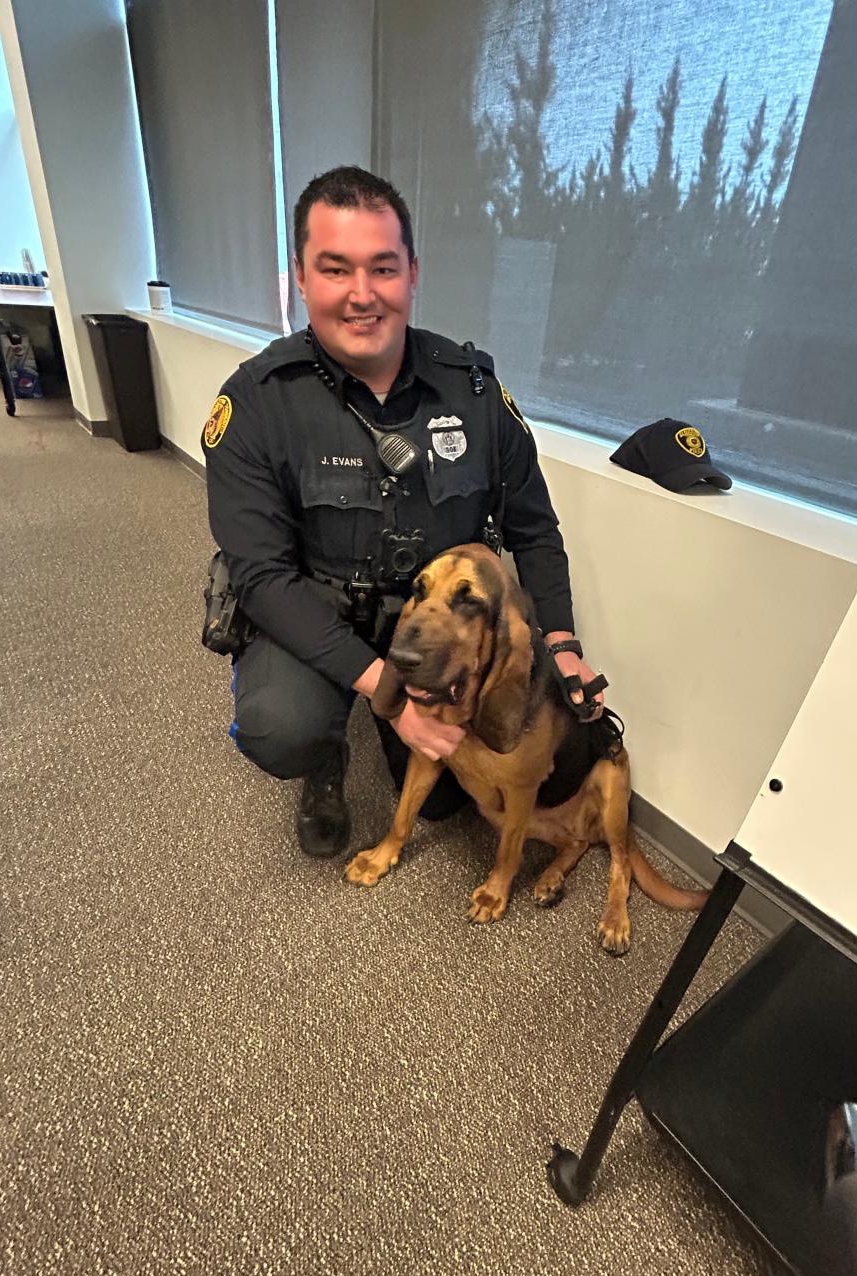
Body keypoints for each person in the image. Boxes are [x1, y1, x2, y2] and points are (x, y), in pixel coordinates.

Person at [202, 165, 602, 858]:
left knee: (445, 805)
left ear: (412, 272)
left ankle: (393, 715)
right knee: (280, 727)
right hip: (314, 612)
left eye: (383, 268)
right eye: (336, 269)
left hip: (431, 628)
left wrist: (562, 644)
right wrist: (385, 686)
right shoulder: (258, 402)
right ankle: (326, 754)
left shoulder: (473, 392)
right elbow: (263, 579)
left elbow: (534, 529)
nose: (362, 295)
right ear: (301, 276)